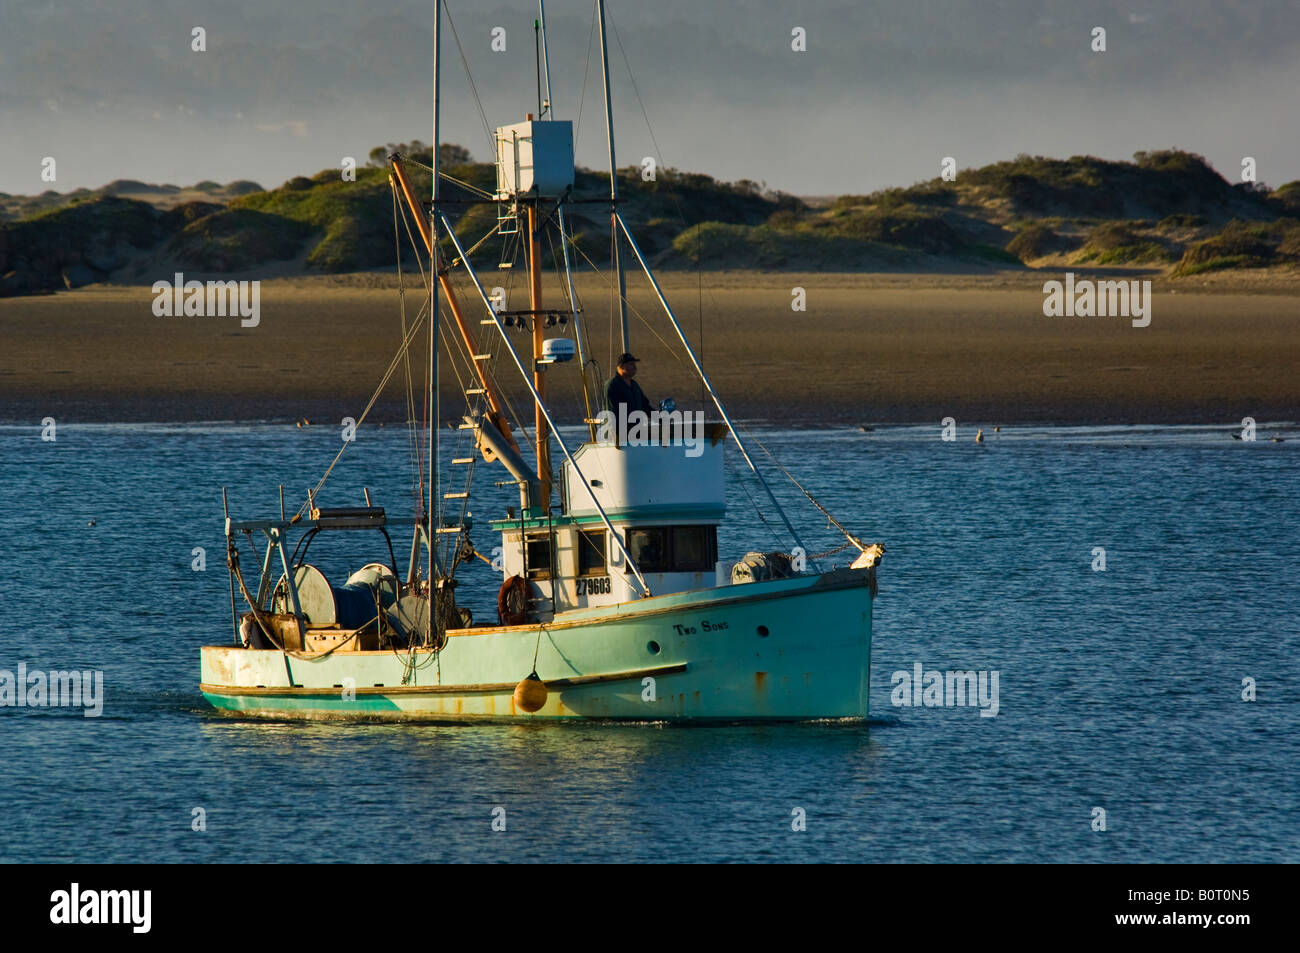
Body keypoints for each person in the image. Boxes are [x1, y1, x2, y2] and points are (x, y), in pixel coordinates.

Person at [604, 352, 653, 420]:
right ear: (621, 366)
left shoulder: (634, 385)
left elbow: (645, 406)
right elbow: (611, 412)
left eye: (634, 364)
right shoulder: (612, 385)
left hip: (636, 428)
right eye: (631, 364)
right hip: (620, 429)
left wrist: (660, 417)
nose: (635, 367)